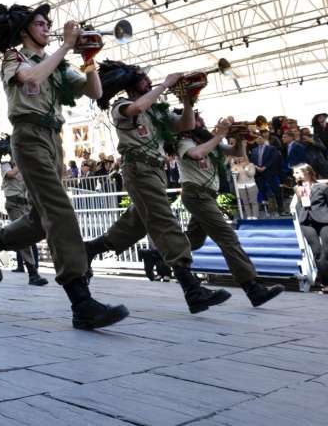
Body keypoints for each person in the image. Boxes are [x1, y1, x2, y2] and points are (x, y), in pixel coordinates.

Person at [0, 1, 128, 329]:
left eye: (47, 23)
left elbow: (95, 92)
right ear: (24, 30)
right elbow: (29, 78)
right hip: (29, 135)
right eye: (40, 23)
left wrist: (89, 59)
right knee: (60, 210)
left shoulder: (58, 64)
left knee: (40, 219)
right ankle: (81, 300)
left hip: (54, 139)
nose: (46, 28)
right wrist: (65, 44)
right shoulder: (15, 56)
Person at [84, 60, 232, 315]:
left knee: (136, 225)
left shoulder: (157, 110)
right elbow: (137, 107)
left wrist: (188, 100)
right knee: (165, 221)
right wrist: (166, 84)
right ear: (130, 82)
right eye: (142, 77)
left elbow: (185, 125)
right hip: (139, 169)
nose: (147, 80)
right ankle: (192, 288)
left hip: (155, 171)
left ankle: (90, 249)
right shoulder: (121, 105)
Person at [172, 113, 284, 306]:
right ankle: (253, 288)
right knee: (227, 238)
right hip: (196, 193)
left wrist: (239, 138)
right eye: (197, 120)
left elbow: (237, 153)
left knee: (193, 242)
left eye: (200, 119)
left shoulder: (206, 140)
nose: (201, 122)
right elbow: (197, 154)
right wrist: (219, 134)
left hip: (207, 195)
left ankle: (159, 255)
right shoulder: (183, 141)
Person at [0, 135, 47, 286]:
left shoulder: (22, 166)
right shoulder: (5, 164)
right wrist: (21, 163)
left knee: (26, 235)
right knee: (23, 238)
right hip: (13, 203)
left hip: (25, 204)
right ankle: (33, 273)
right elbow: (11, 174)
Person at [292, 164, 328, 293]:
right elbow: (299, 192)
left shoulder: (322, 187)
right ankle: (325, 283)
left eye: (296, 172)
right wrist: (302, 184)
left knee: (326, 251)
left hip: (324, 220)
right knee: (317, 253)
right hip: (306, 221)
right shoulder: (298, 188)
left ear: (306, 172)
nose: (293, 175)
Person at [250, 129, 283, 215]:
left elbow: (273, 159)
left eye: (260, 138)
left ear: (264, 139)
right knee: (261, 190)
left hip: (269, 172)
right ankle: (266, 207)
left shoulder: (271, 148)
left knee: (275, 189)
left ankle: (280, 206)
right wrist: (257, 167)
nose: (259, 140)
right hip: (259, 173)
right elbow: (252, 160)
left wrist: (265, 167)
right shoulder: (254, 150)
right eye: (257, 139)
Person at [231, 154, 259, 218]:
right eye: (238, 157)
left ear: (245, 157)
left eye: (241, 157)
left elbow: (251, 174)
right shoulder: (235, 166)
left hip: (251, 185)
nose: (240, 159)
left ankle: (255, 216)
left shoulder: (251, 165)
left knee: (253, 201)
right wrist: (234, 169)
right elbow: (234, 177)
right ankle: (248, 215)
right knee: (245, 202)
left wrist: (245, 168)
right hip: (240, 186)